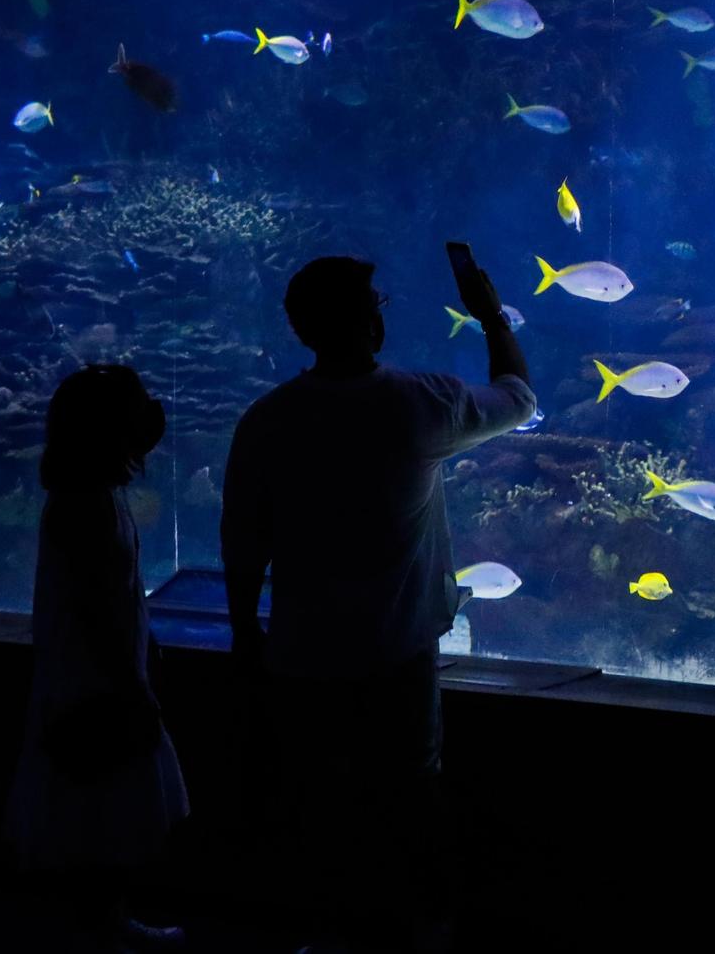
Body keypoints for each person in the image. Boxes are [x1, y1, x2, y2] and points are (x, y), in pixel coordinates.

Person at [221, 253, 533, 952]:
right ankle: (417, 931)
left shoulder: (266, 421)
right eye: (376, 303)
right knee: (410, 795)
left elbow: (242, 545)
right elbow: (518, 395)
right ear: (370, 321)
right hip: (398, 653)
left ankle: (326, 931)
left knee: (319, 800)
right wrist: (488, 312)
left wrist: (247, 636)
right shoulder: (418, 403)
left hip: (302, 656)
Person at [8, 363, 187, 954]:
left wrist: (143, 645)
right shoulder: (84, 503)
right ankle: (95, 927)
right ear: (110, 429)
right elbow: (91, 602)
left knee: (101, 806)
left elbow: (117, 590)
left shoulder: (97, 494)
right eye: (137, 404)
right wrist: (128, 682)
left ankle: (104, 920)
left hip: (101, 669)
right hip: (95, 680)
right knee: (98, 803)